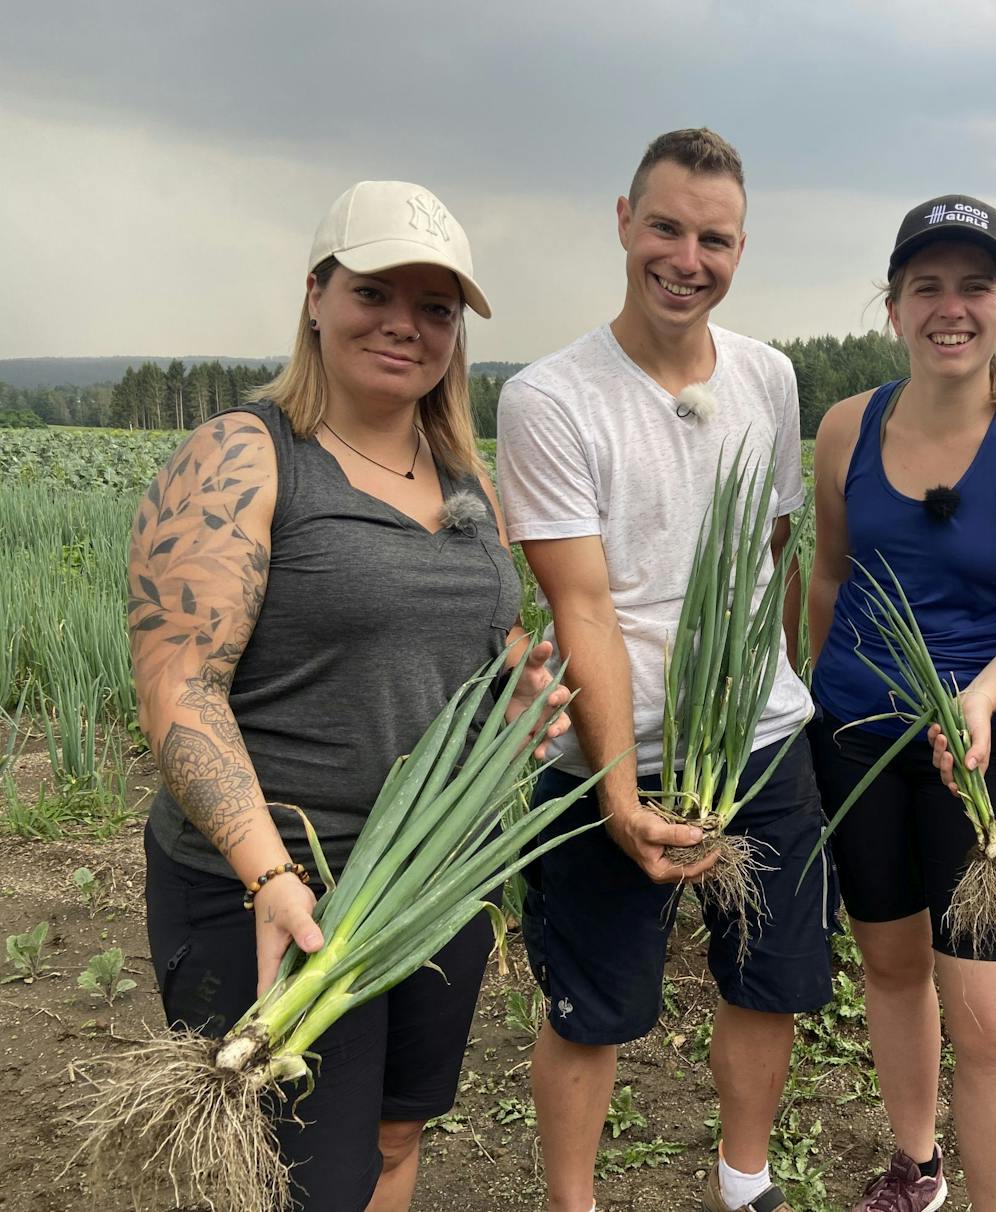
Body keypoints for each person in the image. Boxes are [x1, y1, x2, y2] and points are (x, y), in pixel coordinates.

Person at [132, 180, 568, 1212]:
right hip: (282, 886)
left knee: (391, 1133)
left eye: (435, 308)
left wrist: (513, 690)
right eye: (376, 292)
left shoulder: (463, 471)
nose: (404, 326)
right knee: (297, 1182)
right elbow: (179, 685)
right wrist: (270, 876)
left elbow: (480, 637)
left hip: (426, 877)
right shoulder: (244, 454)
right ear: (318, 295)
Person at [497, 128, 835, 1212]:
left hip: (763, 742)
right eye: (666, 228)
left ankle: (746, 1181)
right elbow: (582, 604)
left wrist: (773, 687)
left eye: (714, 238)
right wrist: (612, 788)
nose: (687, 258)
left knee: (768, 980)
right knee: (594, 1007)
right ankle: (572, 1202)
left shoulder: (768, 379)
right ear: (622, 222)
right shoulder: (550, 399)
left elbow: (774, 552)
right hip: (612, 749)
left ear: (740, 247)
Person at [807, 196, 996, 1212]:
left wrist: (975, 702)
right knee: (889, 968)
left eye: (974, 285)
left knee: (994, 1020)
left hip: (984, 750)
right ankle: (915, 1166)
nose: (950, 307)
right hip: (854, 741)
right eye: (925, 285)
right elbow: (831, 575)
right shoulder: (847, 427)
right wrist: (814, 691)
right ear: (891, 306)